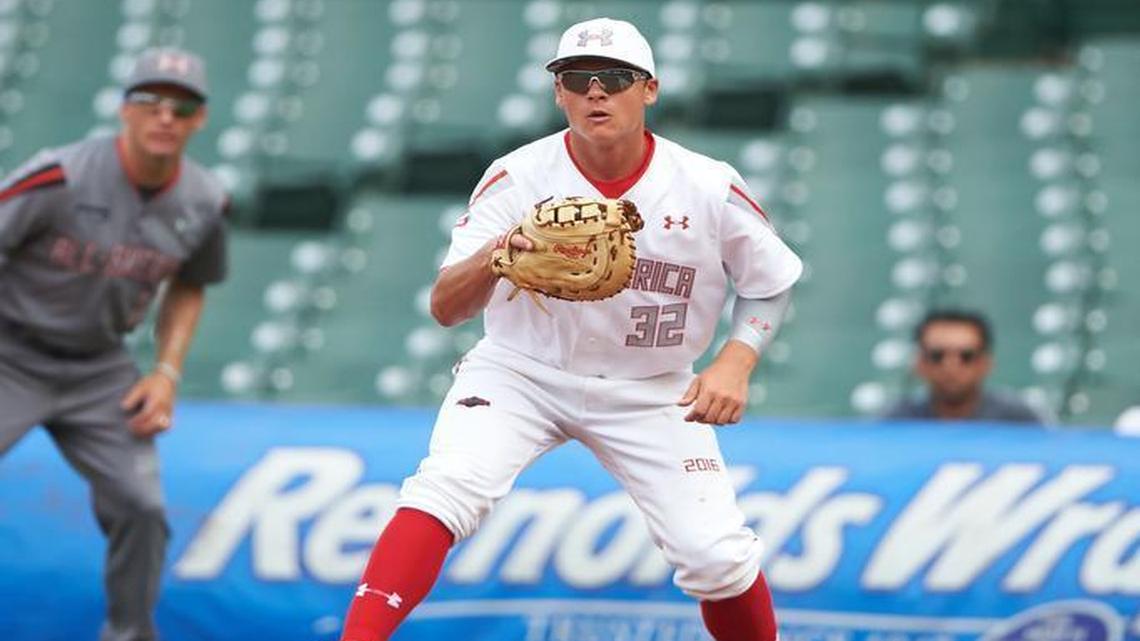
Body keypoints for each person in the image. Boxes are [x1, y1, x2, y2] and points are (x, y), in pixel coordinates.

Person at [339, 17, 802, 641]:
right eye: (577, 79)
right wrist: (497, 254)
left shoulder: (707, 184)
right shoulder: (518, 176)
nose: (596, 93)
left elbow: (771, 278)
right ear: (558, 92)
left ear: (651, 89)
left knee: (715, 554)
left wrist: (735, 361)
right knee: (449, 485)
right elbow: (447, 308)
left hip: (653, 385)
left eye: (615, 78)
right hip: (522, 370)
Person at [0, 48, 227, 641]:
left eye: (182, 106)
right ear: (125, 109)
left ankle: (129, 634)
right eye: (150, 101)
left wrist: (167, 372)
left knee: (143, 508)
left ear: (199, 119)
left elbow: (191, 285)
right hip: (10, 353)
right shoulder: (60, 174)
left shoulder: (204, 199)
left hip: (100, 367)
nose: (165, 117)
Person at [884, 309, 1049, 423]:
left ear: (986, 364)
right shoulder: (897, 421)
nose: (951, 366)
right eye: (937, 356)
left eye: (966, 356)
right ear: (919, 363)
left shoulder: (1017, 420)